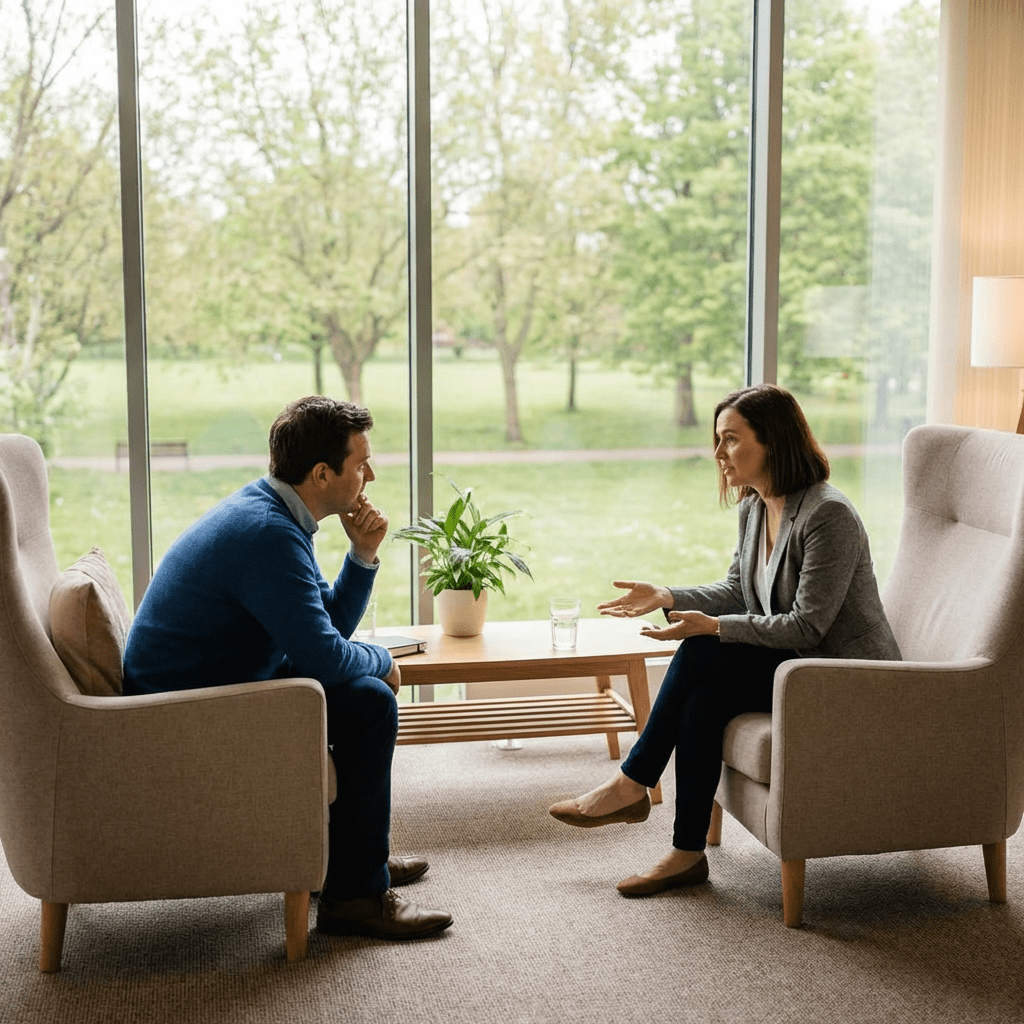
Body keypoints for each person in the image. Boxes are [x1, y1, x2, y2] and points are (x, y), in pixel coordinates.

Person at [548, 383, 901, 896]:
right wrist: (667, 594)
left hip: (842, 675)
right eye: (718, 440)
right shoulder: (755, 507)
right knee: (705, 697)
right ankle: (685, 853)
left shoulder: (829, 515)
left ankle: (633, 782)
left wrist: (712, 627)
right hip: (794, 665)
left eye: (731, 440)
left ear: (773, 441)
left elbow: (809, 626)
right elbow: (739, 588)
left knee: (699, 650)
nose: (718, 454)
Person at [123, 396, 452, 940]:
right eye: (361, 464)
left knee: (362, 689)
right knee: (371, 701)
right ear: (323, 474)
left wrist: (363, 555)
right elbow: (324, 657)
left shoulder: (274, 515)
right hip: (182, 714)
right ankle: (354, 896)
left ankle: (351, 865)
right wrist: (384, 660)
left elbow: (325, 630)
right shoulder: (268, 534)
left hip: (214, 687)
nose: (371, 474)